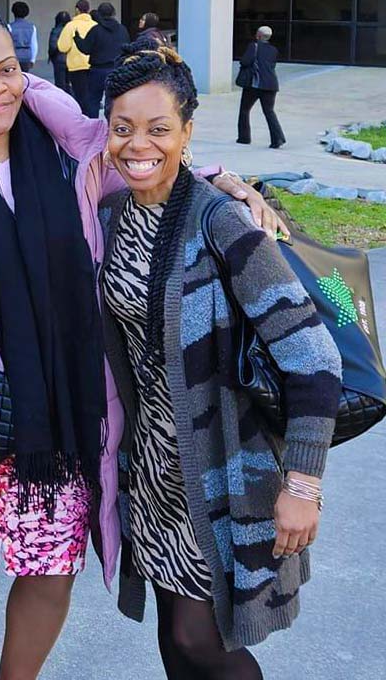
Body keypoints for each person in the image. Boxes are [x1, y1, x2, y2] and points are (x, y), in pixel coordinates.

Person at [0, 5, 279, 680]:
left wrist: (232, 182)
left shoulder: (69, 154)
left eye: (7, 70)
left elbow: (153, 164)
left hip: (64, 405)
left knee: (50, 564)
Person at [98, 42, 337, 678]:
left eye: (158, 129)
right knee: (176, 641)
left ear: (187, 132)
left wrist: (304, 485)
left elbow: (312, 356)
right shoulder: (113, 212)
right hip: (152, 470)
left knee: (205, 641)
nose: (137, 144)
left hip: (223, 471)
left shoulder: (223, 224)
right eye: (122, 128)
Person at [73, 2, 129, 118]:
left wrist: (77, 38)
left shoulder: (96, 30)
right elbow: (127, 48)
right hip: (117, 70)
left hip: (97, 70)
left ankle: (92, 129)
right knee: (114, 101)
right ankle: (113, 127)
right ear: (114, 13)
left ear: (99, 14)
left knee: (93, 100)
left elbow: (85, 49)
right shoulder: (122, 29)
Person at [236, 25, 285, 149]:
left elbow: (246, 61)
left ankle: (244, 138)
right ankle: (277, 139)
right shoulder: (274, 50)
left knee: (244, 110)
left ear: (258, 36)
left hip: (254, 84)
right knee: (269, 112)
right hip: (271, 85)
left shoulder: (254, 46)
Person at [57, 0, 96, 108]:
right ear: (88, 10)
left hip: (76, 66)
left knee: (80, 97)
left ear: (77, 10)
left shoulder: (70, 26)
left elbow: (62, 47)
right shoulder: (95, 25)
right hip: (94, 65)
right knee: (92, 97)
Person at [9, 1, 38, 72]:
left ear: (13, 12)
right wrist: (33, 59)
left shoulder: (10, 27)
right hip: (27, 56)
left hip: (14, 55)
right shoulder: (32, 27)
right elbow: (34, 44)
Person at [48, 10, 72, 92]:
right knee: (68, 83)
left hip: (59, 60)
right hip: (71, 60)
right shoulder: (72, 30)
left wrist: (51, 56)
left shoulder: (55, 31)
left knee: (60, 84)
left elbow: (53, 46)